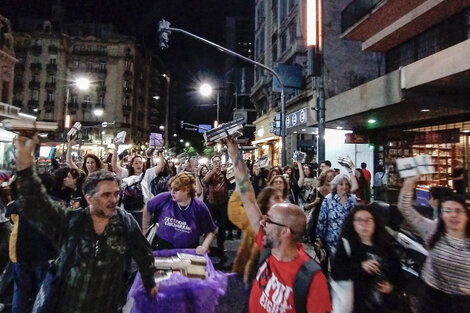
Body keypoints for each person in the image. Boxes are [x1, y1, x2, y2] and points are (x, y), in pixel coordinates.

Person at [14, 134, 158, 313]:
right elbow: (34, 205)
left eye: (116, 194)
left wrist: (149, 282)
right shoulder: (72, 221)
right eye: (106, 195)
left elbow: (142, 251)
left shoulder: (124, 220)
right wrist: (24, 161)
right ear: (89, 198)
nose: (114, 200)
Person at [223, 137, 332, 313]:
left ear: (285, 232)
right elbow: (248, 197)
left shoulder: (311, 278)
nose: (263, 221)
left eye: (269, 219)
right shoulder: (267, 245)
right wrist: (233, 152)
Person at [398, 176, 470, 313]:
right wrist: (409, 183)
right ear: (441, 214)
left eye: (458, 210)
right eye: (447, 211)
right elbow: (405, 208)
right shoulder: (433, 229)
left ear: (467, 215)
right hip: (432, 298)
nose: (453, 215)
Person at [331, 204, 402, 313]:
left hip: (383, 306)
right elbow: (337, 273)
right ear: (353, 224)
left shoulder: (385, 247)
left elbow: (398, 274)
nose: (364, 224)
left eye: (368, 220)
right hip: (356, 306)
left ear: (375, 223)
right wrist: (361, 267)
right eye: (359, 220)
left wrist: (391, 286)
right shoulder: (347, 245)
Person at [143, 172, 216, 254]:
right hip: (162, 245)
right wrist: (145, 229)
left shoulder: (199, 206)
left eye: (176, 190)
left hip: (187, 249)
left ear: (187, 189)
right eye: (171, 189)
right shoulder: (165, 198)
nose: (172, 193)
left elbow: (210, 231)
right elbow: (148, 207)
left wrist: (204, 246)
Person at [228, 186, 283, 283]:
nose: (282, 201)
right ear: (267, 202)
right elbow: (234, 212)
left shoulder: (284, 221)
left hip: (274, 277)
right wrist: (239, 188)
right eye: (276, 198)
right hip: (254, 273)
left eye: (281, 197)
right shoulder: (255, 219)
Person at [315, 170, 359, 256]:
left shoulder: (353, 199)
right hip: (333, 240)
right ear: (336, 186)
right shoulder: (329, 199)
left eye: (347, 184)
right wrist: (319, 238)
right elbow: (322, 220)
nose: (344, 187)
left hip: (351, 239)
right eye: (341, 184)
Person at [203, 155, 229, 252]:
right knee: (210, 225)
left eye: (218, 161)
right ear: (212, 163)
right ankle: (207, 245)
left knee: (222, 225)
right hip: (212, 203)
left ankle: (220, 244)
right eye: (215, 162)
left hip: (223, 202)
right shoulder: (210, 173)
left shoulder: (224, 172)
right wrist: (214, 170)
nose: (217, 163)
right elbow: (205, 181)